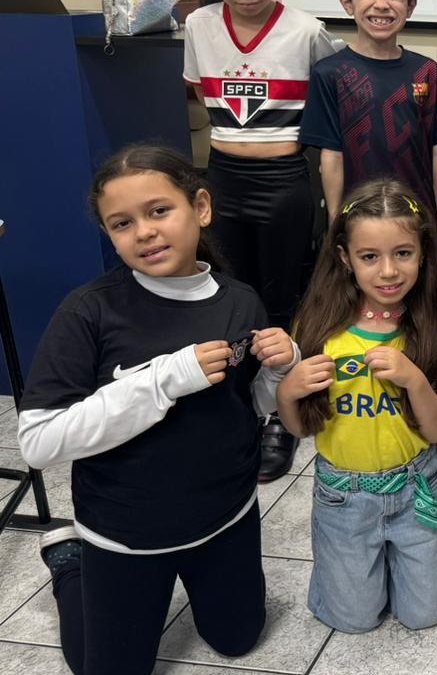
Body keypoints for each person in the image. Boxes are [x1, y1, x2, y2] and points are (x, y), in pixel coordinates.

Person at [18, 145, 298, 675]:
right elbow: (38, 441)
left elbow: (253, 403)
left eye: (159, 211)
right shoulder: (89, 311)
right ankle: (70, 562)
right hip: (126, 531)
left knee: (239, 640)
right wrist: (163, 380)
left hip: (227, 515)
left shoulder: (239, 300)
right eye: (122, 223)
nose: (144, 232)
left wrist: (281, 369)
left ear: (201, 208)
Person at [184, 0, 336, 479]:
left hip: (285, 181)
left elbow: (331, 99)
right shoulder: (198, 25)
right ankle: (238, 402)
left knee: (279, 296)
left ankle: (280, 411)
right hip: (222, 178)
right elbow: (199, 93)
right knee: (228, 291)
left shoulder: (306, 30)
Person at [276, 178, 437, 633]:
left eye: (403, 253)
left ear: (423, 253)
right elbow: (300, 429)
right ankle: (359, 573)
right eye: (370, 257)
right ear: (345, 258)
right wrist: (287, 392)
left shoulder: (436, 328)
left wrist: (413, 379)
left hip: (417, 487)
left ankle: (405, 567)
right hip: (343, 497)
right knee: (354, 620)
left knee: (426, 614)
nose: (388, 272)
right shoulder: (318, 330)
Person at [300, 0, 437, 223]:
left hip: (415, 215)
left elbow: (436, 147)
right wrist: (336, 220)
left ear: (410, 6)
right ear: (347, 3)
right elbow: (332, 156)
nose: (381, 5)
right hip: (356, 217)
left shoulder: (427, 71)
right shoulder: (330, 73)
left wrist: (436, 210)